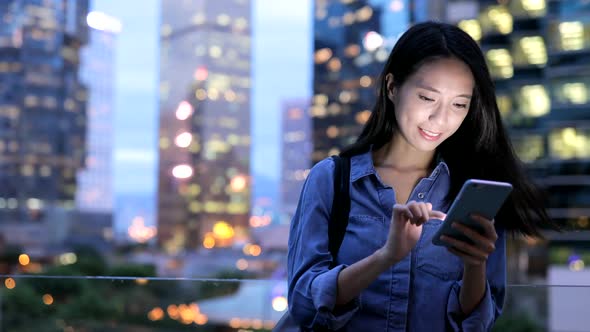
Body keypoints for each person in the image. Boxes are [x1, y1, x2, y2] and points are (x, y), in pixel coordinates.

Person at [286, 21, 554, 332]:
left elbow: (477, 324)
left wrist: (475, 264)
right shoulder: (333, 180)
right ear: (392, 87)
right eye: (427, 98)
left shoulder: (473, 192)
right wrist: (387, 256)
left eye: (458, 104)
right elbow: (304, 306)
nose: (440, 119)